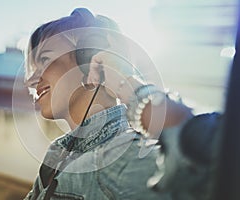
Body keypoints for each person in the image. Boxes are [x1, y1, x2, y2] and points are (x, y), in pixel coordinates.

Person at [22, 8, 192, 200]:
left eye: (44, 60)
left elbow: (200, 173)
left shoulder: (121, 156)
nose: (30, 81)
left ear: (88, 57)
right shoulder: (58, 153)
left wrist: (126, 81)